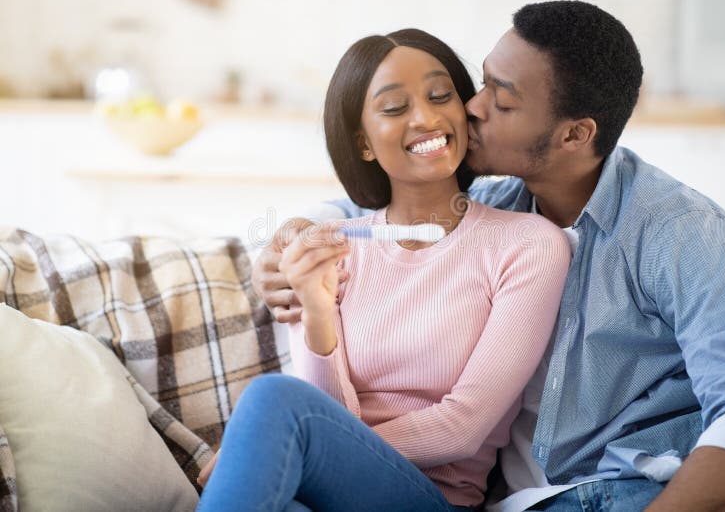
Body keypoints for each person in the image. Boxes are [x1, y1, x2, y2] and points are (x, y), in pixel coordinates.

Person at [255, 1, 725, 511]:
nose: (472, 106)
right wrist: (291, 238)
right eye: (484, 80)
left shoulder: (680, 233)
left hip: (631, 492)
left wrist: (317, 444)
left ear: (574, 134)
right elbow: (376, 203)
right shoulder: (497, 203)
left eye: (502, 99)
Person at [197, 28, 572, 511]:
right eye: (395, 108)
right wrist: (316, 312)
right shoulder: (331, 249)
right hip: (319, 488)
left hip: (434, 499)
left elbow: (463, 427)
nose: (426, 117)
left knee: (272, 400)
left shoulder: (527, 244)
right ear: (365, 143)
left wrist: (286, 439)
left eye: (441, 96)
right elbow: (331, 411)